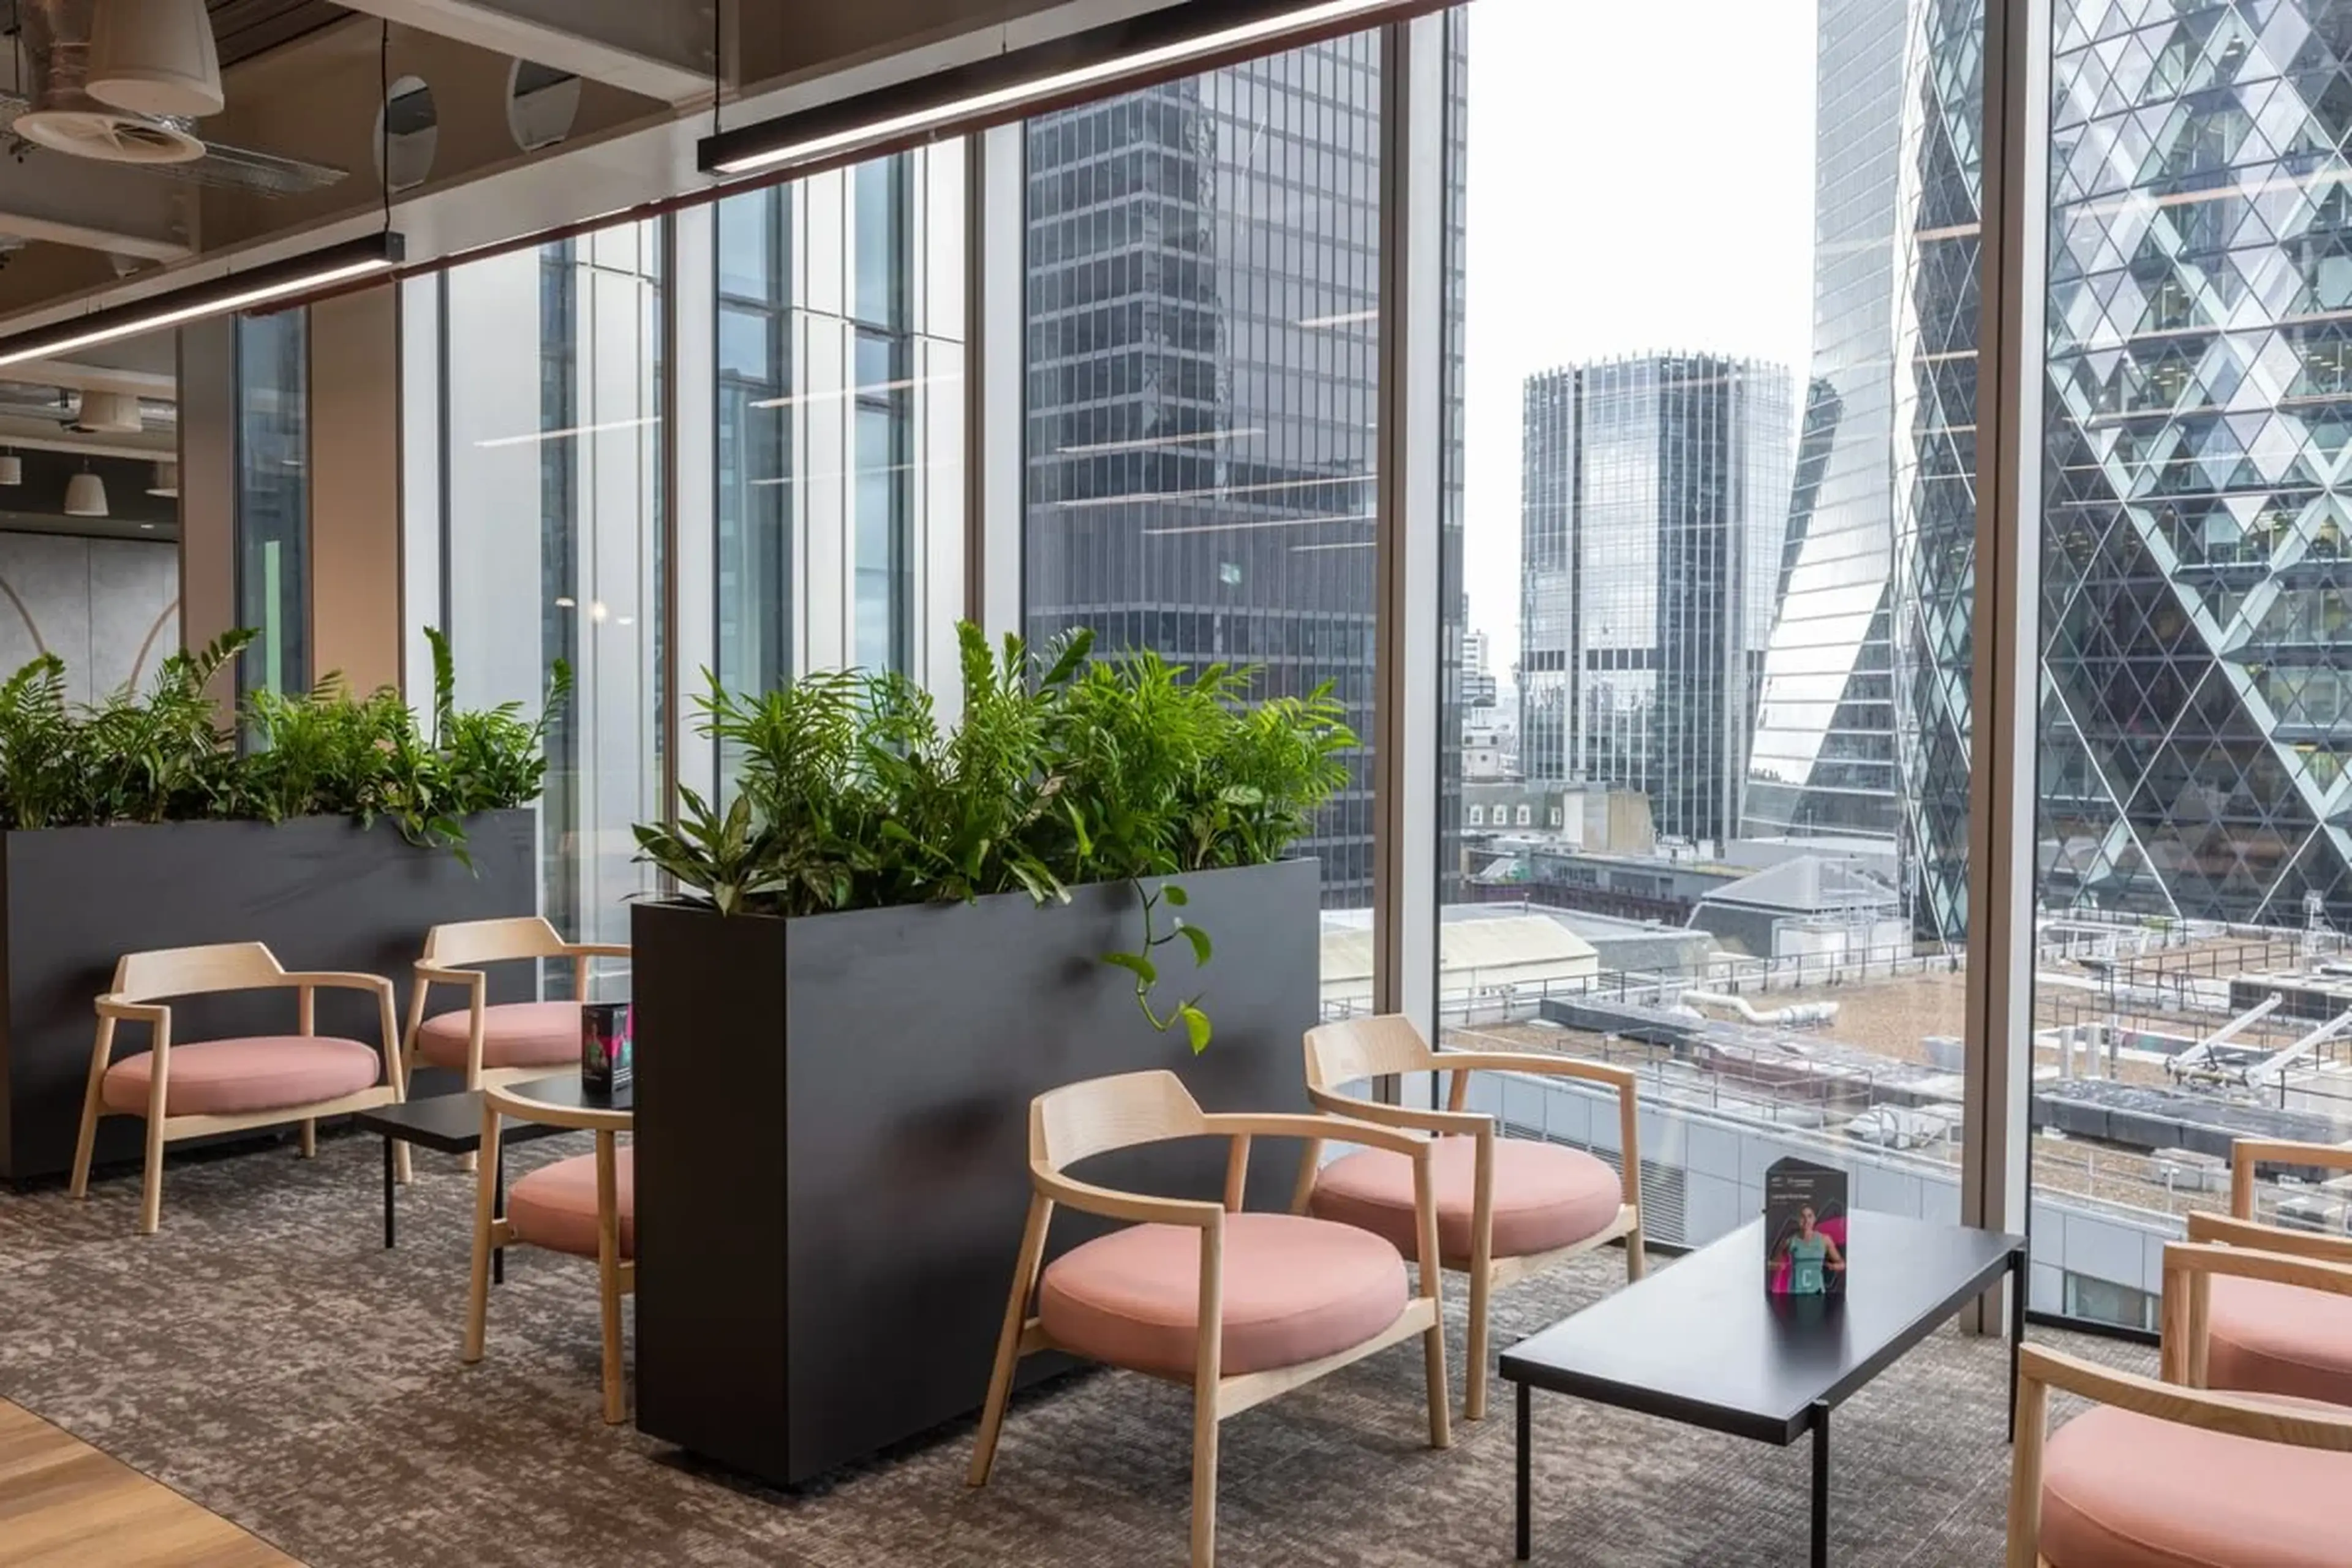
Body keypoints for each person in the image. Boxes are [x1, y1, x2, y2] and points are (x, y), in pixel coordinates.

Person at [1781, 1205, 1845, 1295]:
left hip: (1817, 1293)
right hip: (1796, 1293)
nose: (1807, 1221)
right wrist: (1780, 1266)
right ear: (1798, 1219)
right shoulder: (1791, 1241)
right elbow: (1774, 1264)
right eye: (1803, 1217)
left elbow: (1841, 1264)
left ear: (1814, 1219)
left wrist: (1834, 1266)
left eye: (1810, 1216)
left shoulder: (1825, 1240)